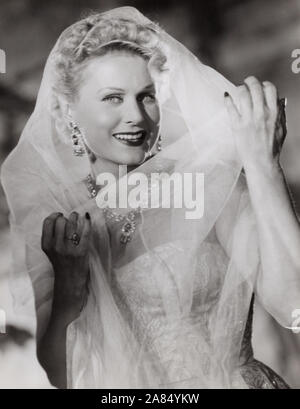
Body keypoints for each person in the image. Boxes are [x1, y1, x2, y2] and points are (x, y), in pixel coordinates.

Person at [1, 6, 299, 389]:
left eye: (146, 96)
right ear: (66, 111)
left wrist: (263, 166)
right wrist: (68, 292)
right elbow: (61, 374)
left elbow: (295, 309)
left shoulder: (211, 186)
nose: (136, 116)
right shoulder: (63, 225)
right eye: (113, 98)